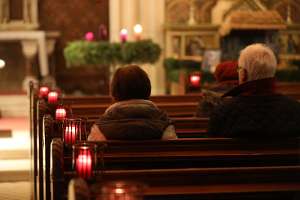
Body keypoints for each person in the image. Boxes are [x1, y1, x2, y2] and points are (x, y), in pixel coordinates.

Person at [208, 43, 300, 137]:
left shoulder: (223, 113)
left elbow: (211, 146)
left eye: (239, 69)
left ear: (243, 74)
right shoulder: (296, 110)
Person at [88, 65, 177, 141]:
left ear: (114, 91)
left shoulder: (101, 128)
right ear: (147, 89)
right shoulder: (164, 124)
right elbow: (173, 153)